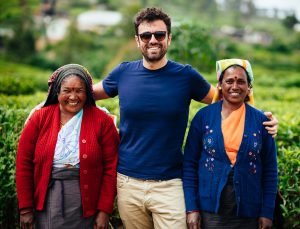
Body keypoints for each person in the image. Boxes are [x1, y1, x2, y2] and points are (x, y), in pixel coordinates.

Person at [91, 8, 279, 229]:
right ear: (137, 40)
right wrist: (47, 104)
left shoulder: (186, 76)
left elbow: (228, 97)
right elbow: (82, 95)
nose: (153, 40)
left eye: (159, 35)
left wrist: (262, 121)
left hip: (170, 184)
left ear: (169, 38)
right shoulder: (123, 73)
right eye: (146, 36)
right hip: (127, 182)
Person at [16, 64, 119, 229]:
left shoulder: (103, 122)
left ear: (87, 93)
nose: (73, 96)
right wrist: (25, 208)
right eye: (67, 90)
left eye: (79, 90)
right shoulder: (39, 118)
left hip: (86, 203)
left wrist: (104, 211)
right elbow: (23, 164)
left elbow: (110, 169)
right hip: (47, 199)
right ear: (57, 92)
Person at [183, 59, 278, 229]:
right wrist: (191, 208)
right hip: (210, 212)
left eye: (241, 81)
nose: (235, 86)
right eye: (229, 81)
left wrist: (267, 212)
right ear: (220, 85)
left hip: (249, 212)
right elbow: (189, 165)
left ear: (249, 87)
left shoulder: (262, 121)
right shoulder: (203, 117)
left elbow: (270, 170)